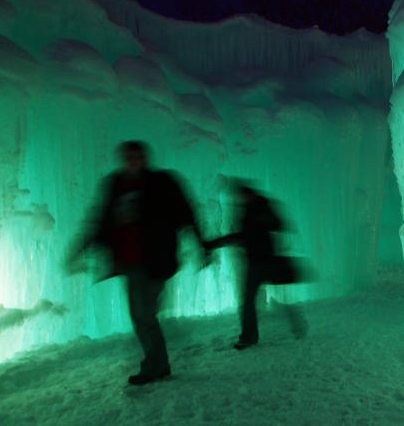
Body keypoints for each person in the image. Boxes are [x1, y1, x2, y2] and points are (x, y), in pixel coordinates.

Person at [70, 140, 206, 385]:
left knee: (145, 315)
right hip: (129, 263)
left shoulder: (162, 182)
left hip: (155, 261)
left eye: (138, 156)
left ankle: (155, 366)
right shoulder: (115, 184)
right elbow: (101, 219)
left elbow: (187, 212)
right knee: (141, 316)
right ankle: (158, 364)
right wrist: (81, 247)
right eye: (129, 156)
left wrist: (201, 244)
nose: (134, 161)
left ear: (145, 158)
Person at [207, 180, 306, 349]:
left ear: (248, 195)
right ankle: (253, 336)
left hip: (263, 262)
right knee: (249, 300)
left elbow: (276, 225)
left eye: (240, 196)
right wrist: (216, 243)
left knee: (252, 300)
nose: (238, 200)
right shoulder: (249, 210)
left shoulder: (260, 207)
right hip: (257, 262)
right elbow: (246, 235)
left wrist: (216, 243)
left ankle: (252, 336)